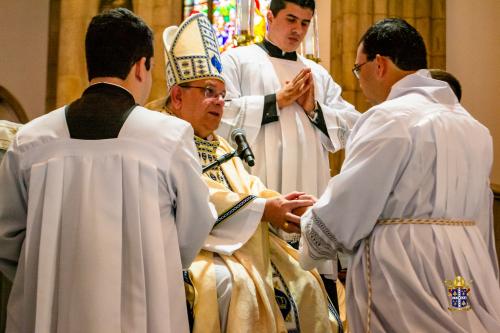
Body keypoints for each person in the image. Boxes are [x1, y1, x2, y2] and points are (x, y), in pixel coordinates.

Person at [0, 8, 216, 332]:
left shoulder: (32, 140)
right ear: (142, 67)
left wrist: (50, 271)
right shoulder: (168, 138)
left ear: (89, 63)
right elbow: (194, 226)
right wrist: (154, 262)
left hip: (49, 313)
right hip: (144, 314)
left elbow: (7, 235)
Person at [299, 18, 500, 332]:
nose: (360, 81)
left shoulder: (389, 118)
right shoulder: (474, 129)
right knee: (461, 319)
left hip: (407, 267)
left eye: (358, 68)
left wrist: (310, 222)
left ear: (379, 64)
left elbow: (351, 204)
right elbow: (483, 218)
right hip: (465, 269)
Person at [148, 13, 342, 333]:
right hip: (193, 249)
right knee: (233, 286)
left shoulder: (219, 143)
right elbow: (198, 197)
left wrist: (282, 203)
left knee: (306, 280)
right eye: (209, 91)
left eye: (223, 95)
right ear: (178, 96)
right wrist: (265, 210)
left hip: (238, 244)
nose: (220, 102)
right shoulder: (161, 135)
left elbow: (248, 184)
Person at [219, 0, 359, 304]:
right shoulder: (236, 60)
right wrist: (273, 102)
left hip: (310, 186)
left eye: (305, 23)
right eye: (291, 19)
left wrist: (314, 109)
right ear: (269, 17)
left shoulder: (317, 74)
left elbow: (353, 125)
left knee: (317, 300)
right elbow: (218, 116)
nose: (298, 30)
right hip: (263, 188)